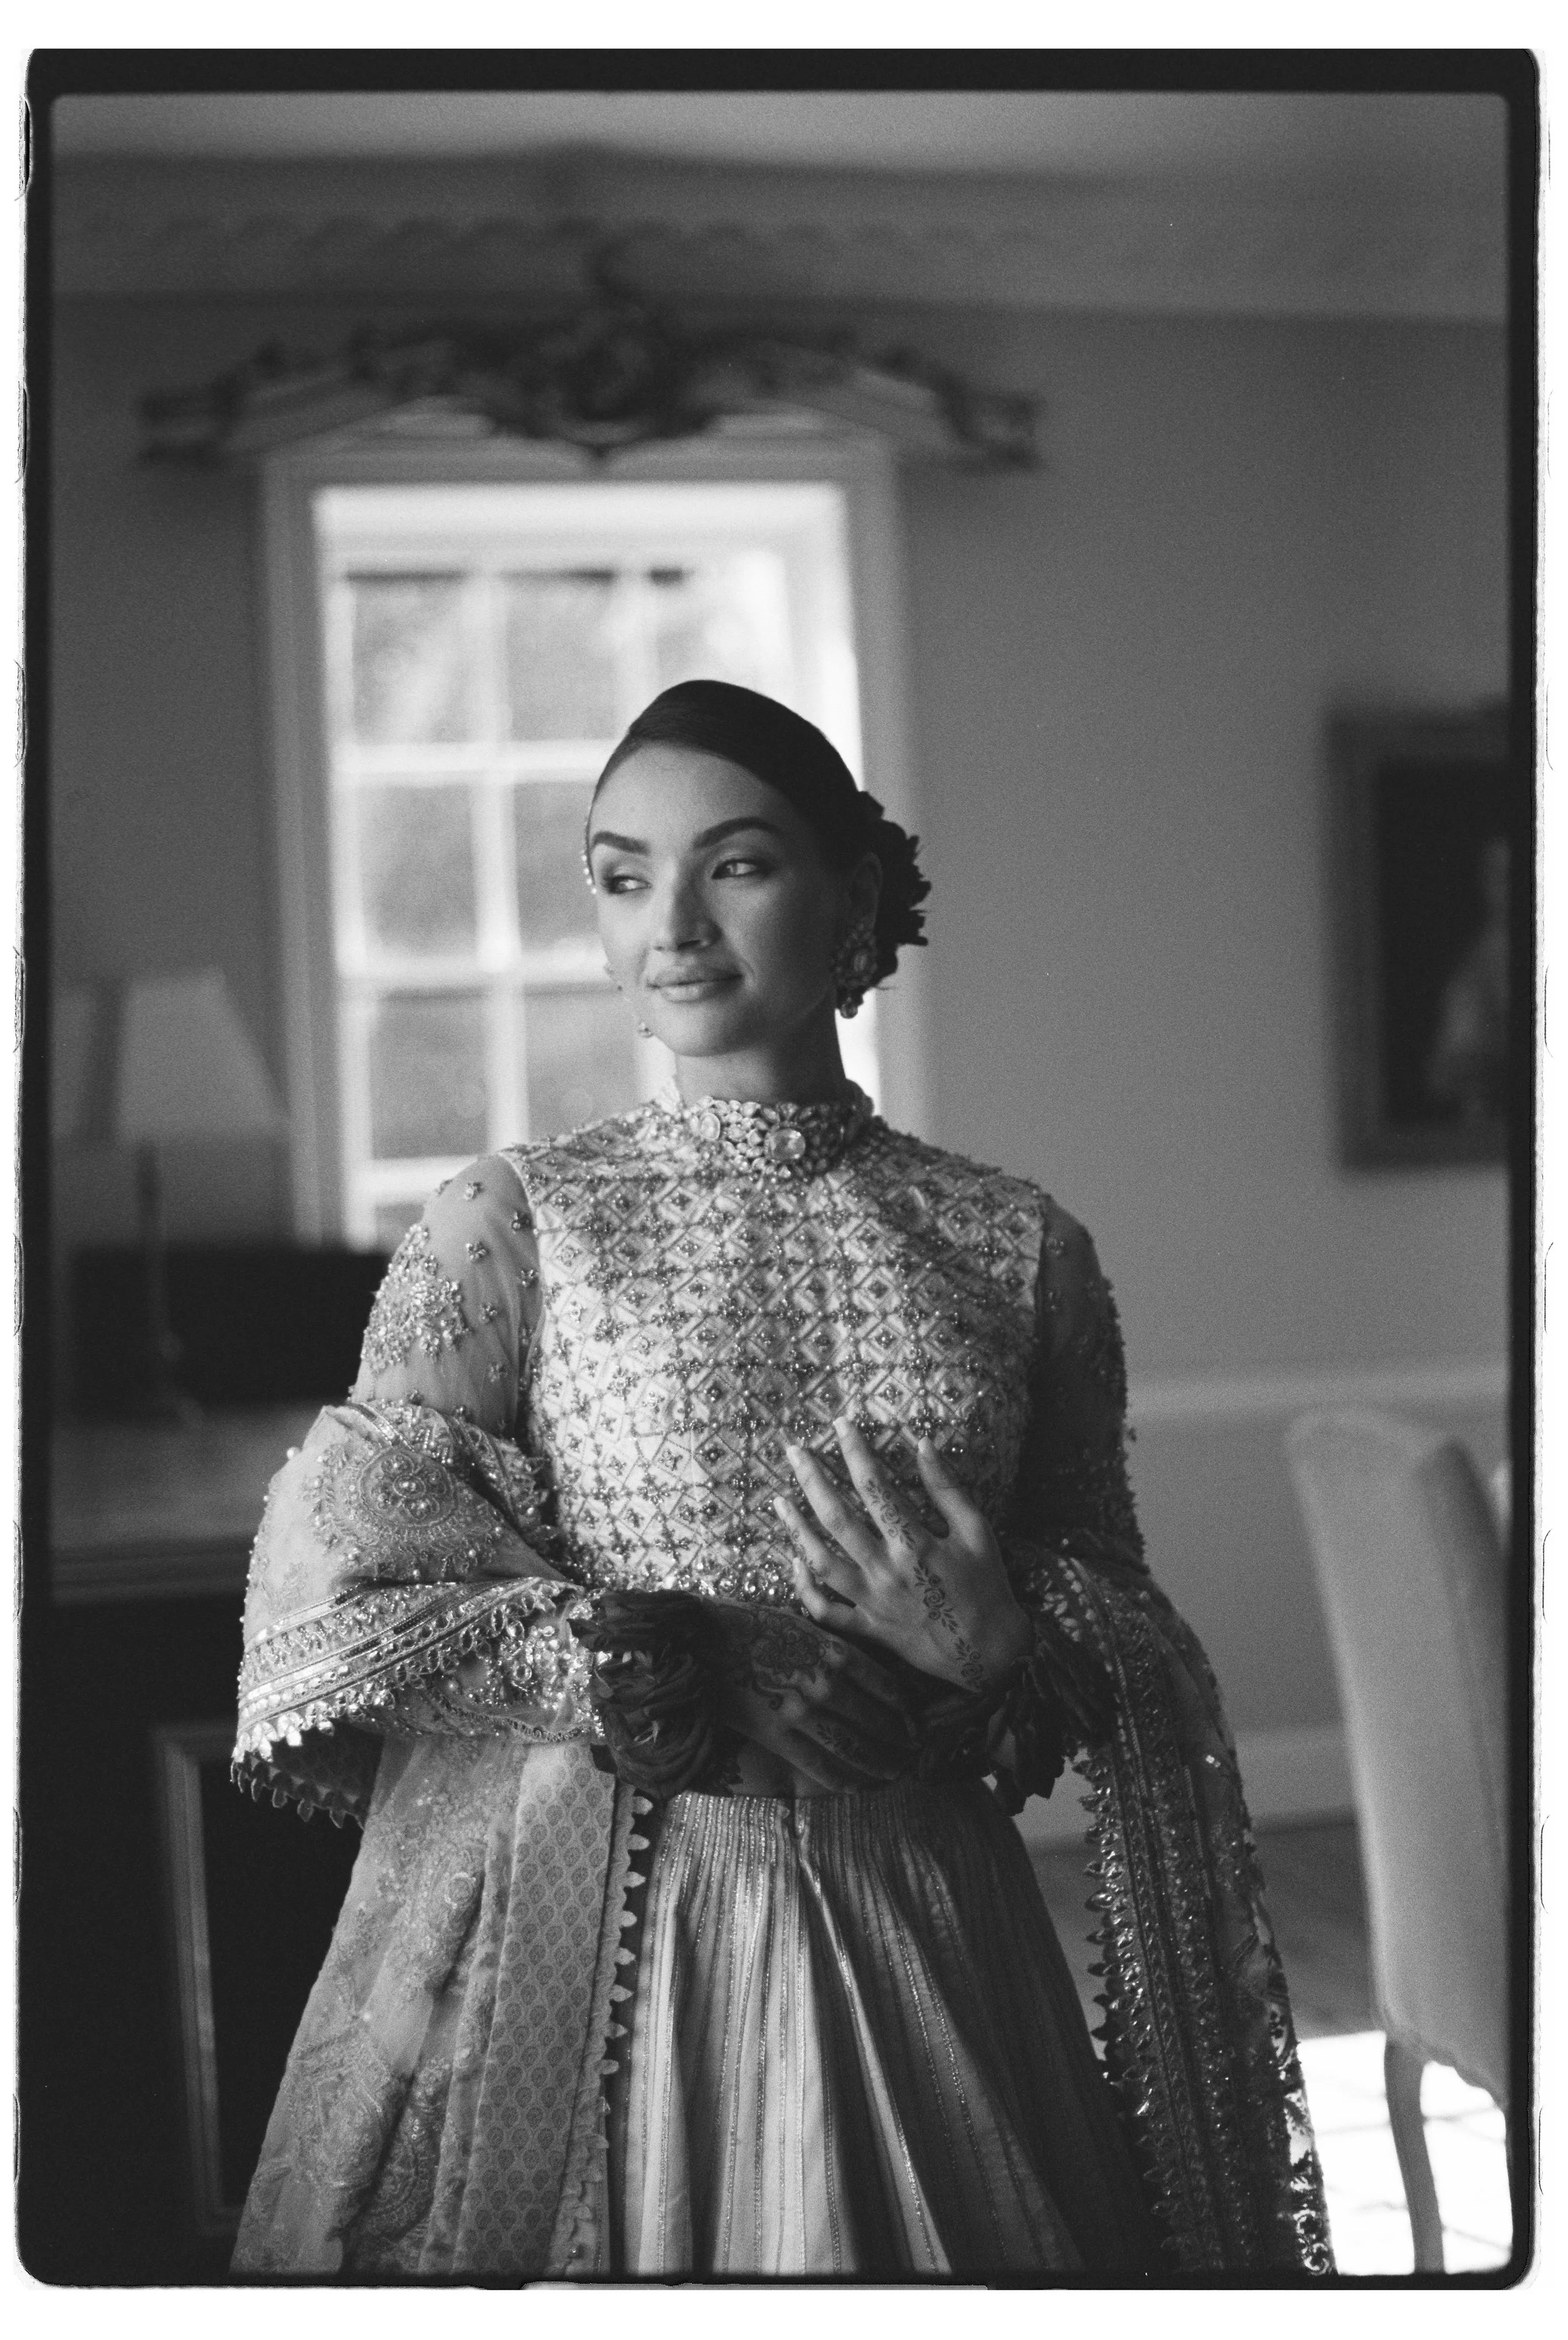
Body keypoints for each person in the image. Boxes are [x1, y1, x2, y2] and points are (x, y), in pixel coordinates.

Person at [231, 681, 1333, 2280]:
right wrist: (686, 1656)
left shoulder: (1017, 1247)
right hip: (607, 1939)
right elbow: (340, 1591)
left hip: (926, 1917)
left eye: (732, 864)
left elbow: (1118, 1610)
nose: (670, 924)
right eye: (623, 877)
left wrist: (1002, 1639)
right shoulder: (516, 1225)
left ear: (853, 896)